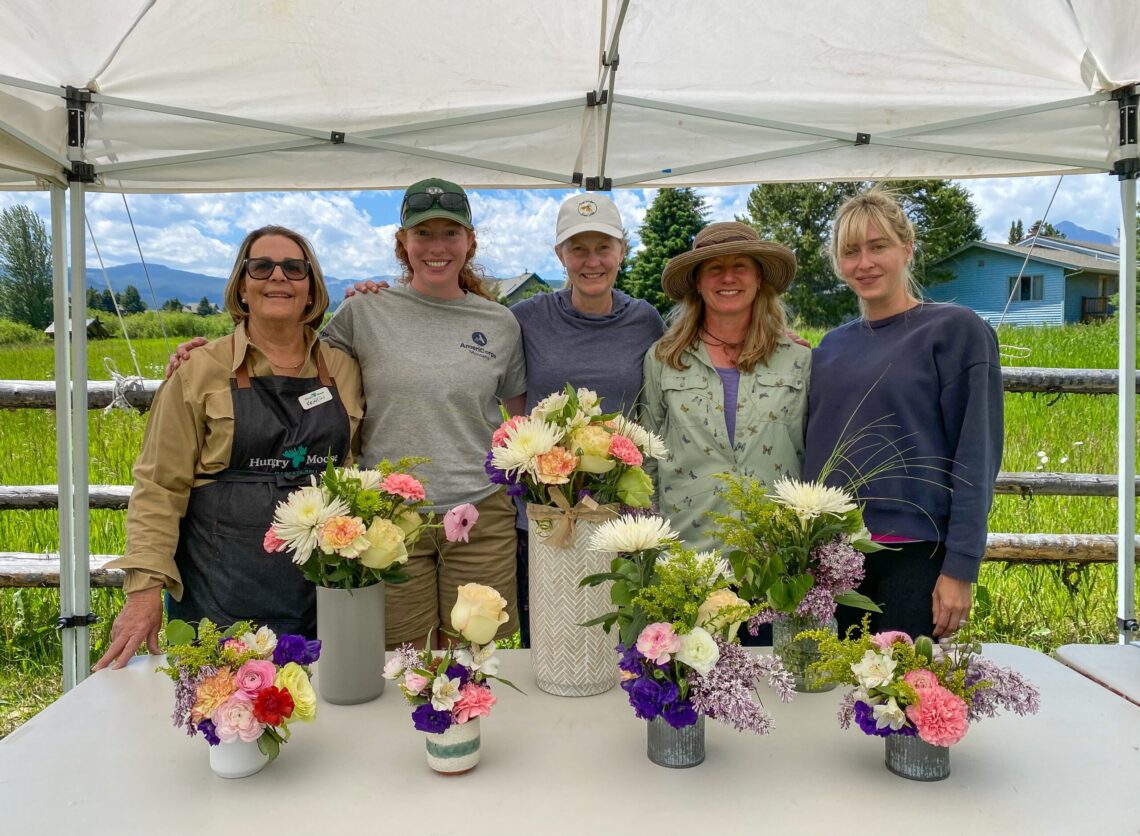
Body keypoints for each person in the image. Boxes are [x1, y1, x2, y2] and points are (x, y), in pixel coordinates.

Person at [94, 226, 364, 669]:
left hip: (326, 592)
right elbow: (159, 485)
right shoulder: (199, 370)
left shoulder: (343, 369)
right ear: (241, 285)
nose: (278, 277)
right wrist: (143, 593)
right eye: (261, 266)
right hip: (220, 590)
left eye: (294, 268)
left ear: (312, 288)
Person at [322, 178, 527, 649]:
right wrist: (200, 358)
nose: (438, 247)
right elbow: (292, 361)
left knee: (474, 657)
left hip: (481, 513)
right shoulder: (364, 311)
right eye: (423, 234)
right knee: (401, 657)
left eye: (450, 234)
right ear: (403, 243)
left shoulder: (499, 322)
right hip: (391, 517)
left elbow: (518, 421)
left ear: (470, 242)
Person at [802, 188, 1003, 639]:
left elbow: (977, 455)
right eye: (850, 251)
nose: (864, 263)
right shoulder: (831, 347)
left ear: (907, 249)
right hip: (832, 559)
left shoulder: (954, 331)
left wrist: (961, 568)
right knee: (830, 700)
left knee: (898, 701)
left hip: (915, 557)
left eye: (878, 247)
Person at [509, 193, 665, 644]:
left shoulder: (644, 320)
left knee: (620, 635)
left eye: (603, 247)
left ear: (622, 250)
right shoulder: (527, 317)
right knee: (550, 632)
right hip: (546, 512)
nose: (591, 261)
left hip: (621, 513)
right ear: (560, 254)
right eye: (578, 248)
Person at [641, 222, 810, 554]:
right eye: (715, 268)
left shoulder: (798, 360)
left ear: (759, 278)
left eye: (740, 267)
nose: (728, 278)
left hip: (774, 554)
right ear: (698, 284)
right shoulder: (663, 358)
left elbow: (812, 453)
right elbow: (648, 453)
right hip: (687, 549)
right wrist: (649, 535)